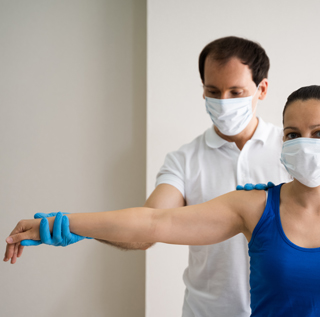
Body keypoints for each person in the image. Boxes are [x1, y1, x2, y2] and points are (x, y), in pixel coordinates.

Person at [5, 85, 320, 316]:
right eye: (292, 134)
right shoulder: (252, 207)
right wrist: (63, 223)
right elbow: (154, 224)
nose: (303, 143)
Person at [3, 36, 292, 317]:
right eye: (213, 91)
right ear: (202, 90)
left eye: (236, 92)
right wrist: (74, 226)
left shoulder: (292, 151)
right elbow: (148, 225)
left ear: (262, 89)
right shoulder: (184, 160)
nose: (224, 101)